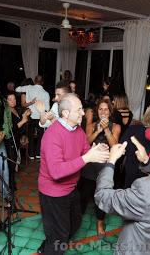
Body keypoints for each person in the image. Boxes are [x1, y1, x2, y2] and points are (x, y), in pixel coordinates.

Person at [38, 93, 110, 255]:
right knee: (60, 237)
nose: (84, 113)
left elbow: (85, 150)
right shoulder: (52, 134)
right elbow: (56, 172)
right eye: (79, 110)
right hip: (53, 194)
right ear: (66, 114)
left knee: (75, 223)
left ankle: (50, 242)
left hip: (71, 189)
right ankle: (51, 247)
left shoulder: (77, 131)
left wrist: (96, 150)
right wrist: (87, 157)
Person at [80, 98, 121, 236]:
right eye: (100, 109)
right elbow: (86, 144)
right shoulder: (91, 125)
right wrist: (97, 131)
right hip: (90, 164)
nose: (103, 112)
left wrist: (106, 130)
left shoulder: (115, 126)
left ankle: (99, 222)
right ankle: (77, 219)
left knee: (102, 194)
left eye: (106, 109)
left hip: (105, 166)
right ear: (97, 111)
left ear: (110, 111)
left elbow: (115, 146)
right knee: (84, 193)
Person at [15, 75, 50, 159]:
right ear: (42, 82)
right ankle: (38, 154)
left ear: (34, 81)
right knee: (41, 136)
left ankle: (30, 154)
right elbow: (47, 109)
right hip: (40, 117)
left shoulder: (29, 88)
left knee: (30, 135)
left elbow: (17, 89)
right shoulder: (46, 93)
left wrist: (25, 87)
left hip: (30, 115)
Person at [5, 92, 31, 189]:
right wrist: (24, 120)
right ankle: (10, 187)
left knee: (13, 164)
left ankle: (11, 185)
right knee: (11, 166)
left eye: (14, 99)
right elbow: (11, 128)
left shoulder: (15, 110)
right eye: (10, 99)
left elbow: (20, 127)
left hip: (16, 141)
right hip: (10, 142)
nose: (13, 101)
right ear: (6, 101)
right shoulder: (7, 112)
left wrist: (24, 116)